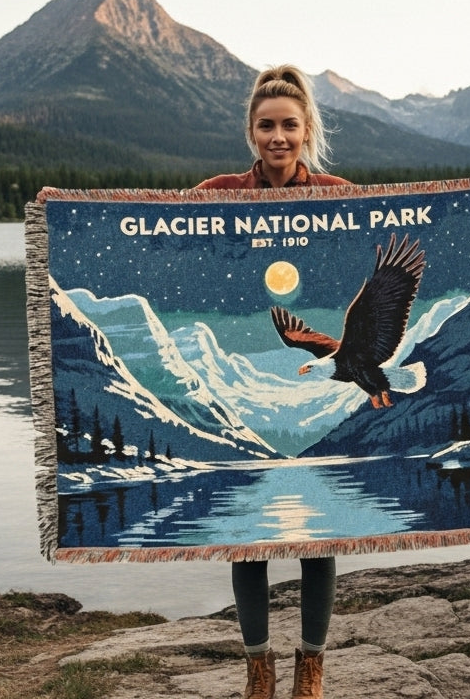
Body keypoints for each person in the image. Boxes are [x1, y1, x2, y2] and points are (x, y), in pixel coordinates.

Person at [194, 64, 347, 698]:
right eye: (266, 126)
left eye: (289, 125)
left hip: (316, 383)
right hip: (244, 377)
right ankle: (259, 665)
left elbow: (396, 231)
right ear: (251, 131)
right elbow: (144, 224)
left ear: (307, 128)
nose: (277, 138)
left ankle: (310, 663)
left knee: (319, 528)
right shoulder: (220, 191)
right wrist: (59, 214)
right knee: (248, 532)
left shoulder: (339, 195)